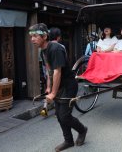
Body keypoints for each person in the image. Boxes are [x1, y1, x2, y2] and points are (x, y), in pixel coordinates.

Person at [29, 23, 87, 151]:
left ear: (44, 36)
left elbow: (57, 72)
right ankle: (68, 141)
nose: (32, 39)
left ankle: (82, 130)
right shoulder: (43, 50)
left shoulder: (55, 48)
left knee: (65, 115)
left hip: (68, 85)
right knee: (59, 116)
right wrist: (49, 87)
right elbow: (49, 71)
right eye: (31, 36)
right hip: (58, 85)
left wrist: (53, 94)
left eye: (35, 36)